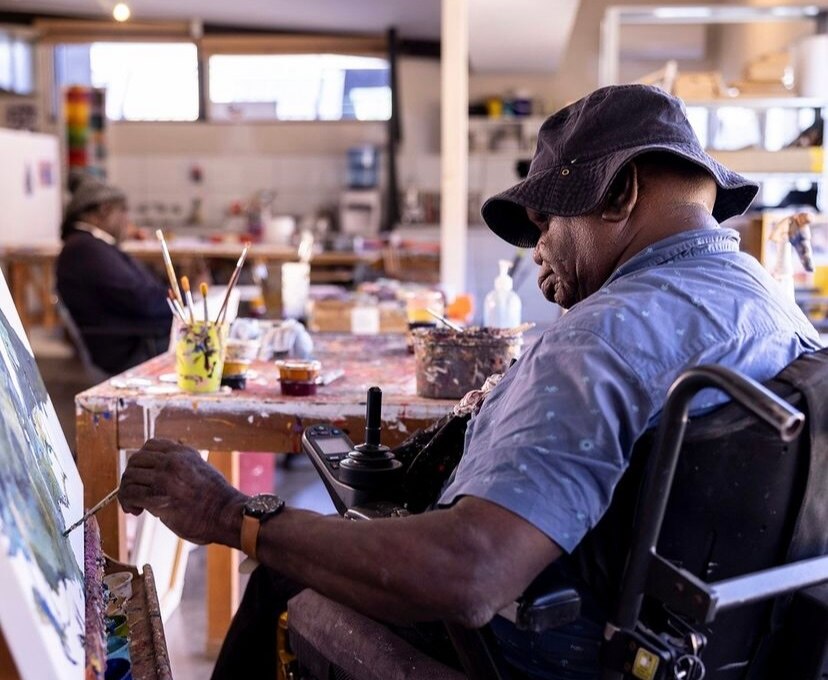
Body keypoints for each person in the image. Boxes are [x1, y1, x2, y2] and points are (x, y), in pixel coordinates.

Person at [118, 85, 824, 678]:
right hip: (693, 653)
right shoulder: (776, 311)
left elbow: (468, 575)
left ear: (620, 196)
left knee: (281, 565)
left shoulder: (602, 340)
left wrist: (228, 515)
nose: (540, 248)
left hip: (543, 652)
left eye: (546, 221)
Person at [56, 175, 172, 375]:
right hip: (132, 350)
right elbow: (140, 299)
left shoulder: (90, 246)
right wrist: (181, 301)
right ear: (105, 210)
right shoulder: (86, 249)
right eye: (123, 212)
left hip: (136, 339)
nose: (127, 221)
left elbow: (134, 294)